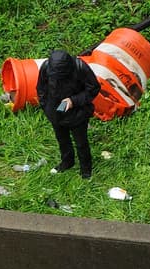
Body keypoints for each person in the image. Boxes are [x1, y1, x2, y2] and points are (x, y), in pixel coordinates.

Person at [36, 49, 100, 179]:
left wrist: (73, 100)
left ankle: (86, 170)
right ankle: (67, 162)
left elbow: (93, 88)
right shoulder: (46, 67)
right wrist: (46, 107)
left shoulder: (80, 67)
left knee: (81, 143)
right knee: (62, 139)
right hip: (55, 110)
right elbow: (41, 88)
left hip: (78, 111)